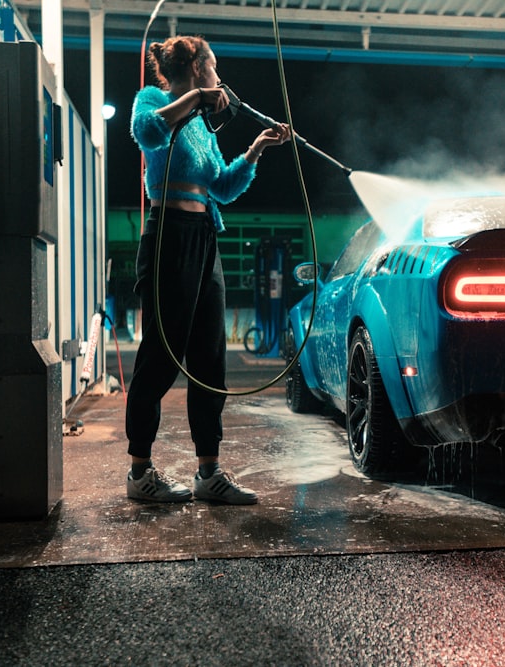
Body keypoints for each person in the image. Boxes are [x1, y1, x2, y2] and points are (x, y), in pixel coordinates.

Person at [125, 35, 290, 504]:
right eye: (213, 67)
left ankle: (208, 472)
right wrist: (196, 99)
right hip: (168, 238)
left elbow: (222, 186)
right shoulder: (154, 100)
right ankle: (140, 472)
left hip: (203, 240)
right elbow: (147, 132)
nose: (220, 77)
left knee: (209, 360)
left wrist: (257, 147)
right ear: (196, 67)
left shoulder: (200, 126)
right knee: (159, 357)